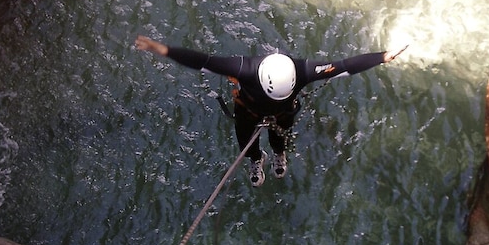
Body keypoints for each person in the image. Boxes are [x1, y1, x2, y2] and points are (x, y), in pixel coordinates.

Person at [135, 35, 407, 187]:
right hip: (248, 113)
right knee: (246, 144)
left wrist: (382, 57)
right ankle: (257, 159)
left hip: (283, 114)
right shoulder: (244, 68)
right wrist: (163, 49)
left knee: (280, 140)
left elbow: (345, 65)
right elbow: (203, 61)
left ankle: (278, 156)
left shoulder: (303, 70)